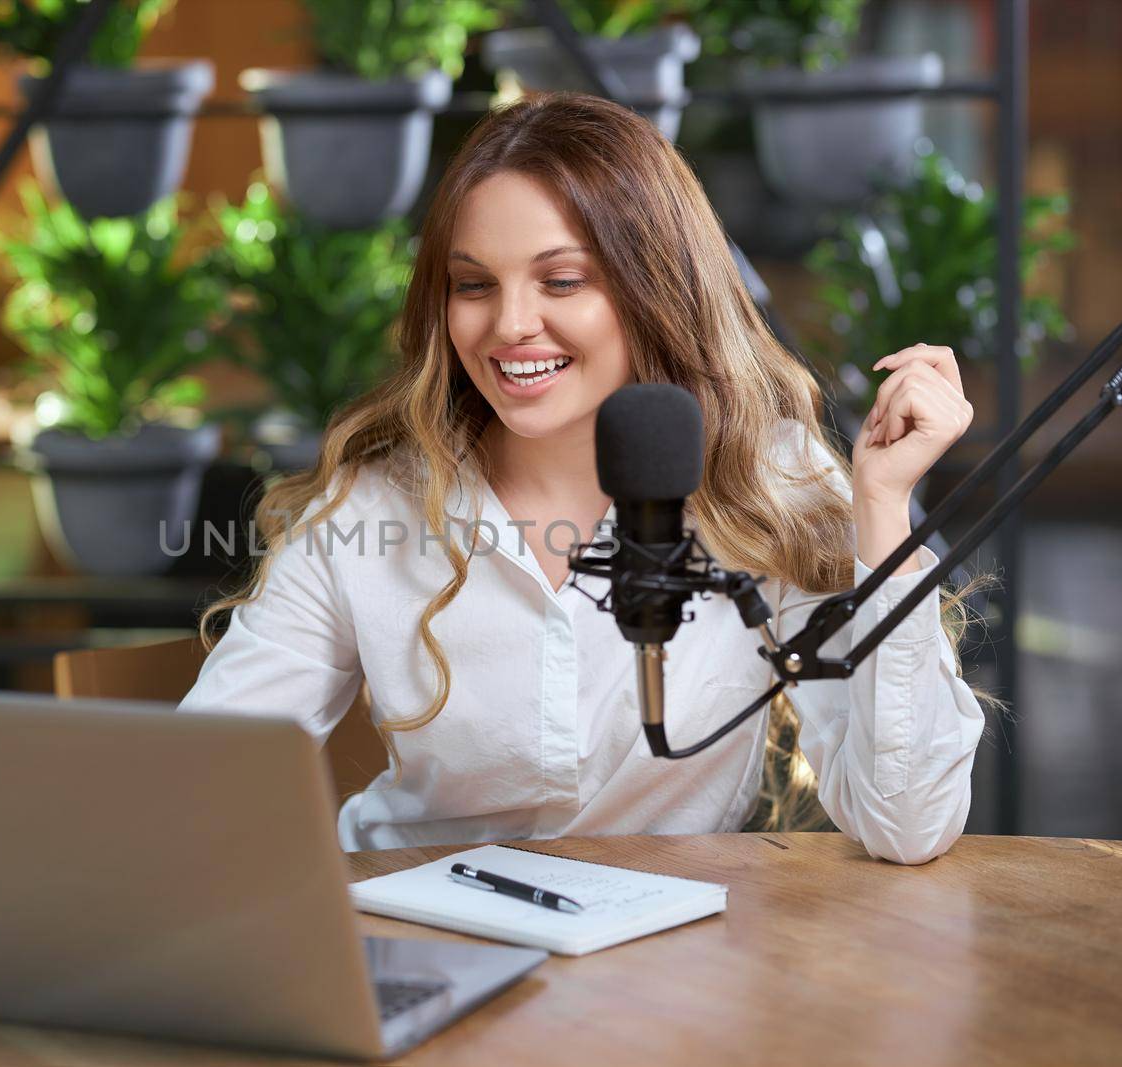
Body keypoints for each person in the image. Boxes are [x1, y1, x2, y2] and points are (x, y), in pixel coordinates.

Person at [180, 92, 988, 865]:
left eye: (561, 280)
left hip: (668, 970)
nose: (509, 324)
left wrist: (880, 506)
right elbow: (200, 781)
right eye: (473, 284)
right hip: (422, 937)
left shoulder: (767, 478)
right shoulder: (373, 502)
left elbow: (907, 821)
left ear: (653, 287)